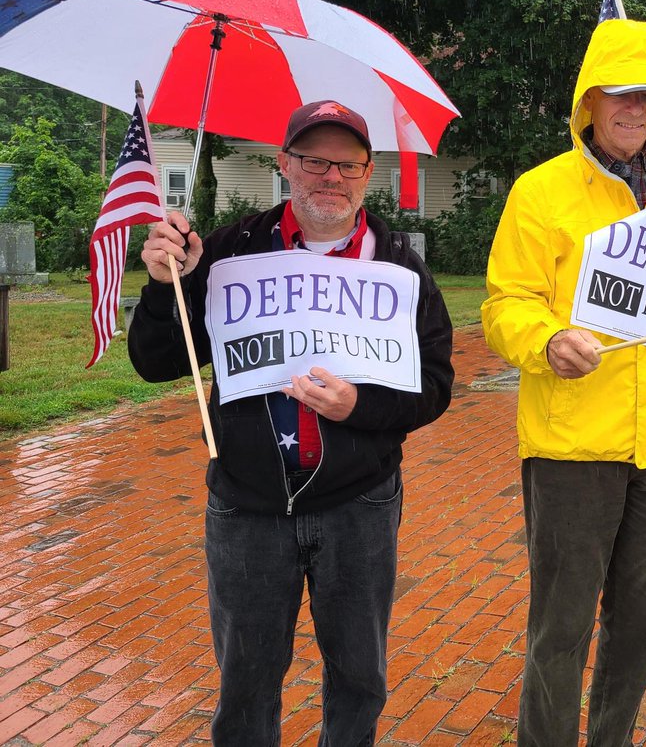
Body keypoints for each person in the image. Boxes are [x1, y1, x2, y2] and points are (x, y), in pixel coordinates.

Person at [128, 100, 455, 745]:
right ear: (285, 164)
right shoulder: (224, 254)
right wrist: (166, 284)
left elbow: (436, 386)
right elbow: (156, 361)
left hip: (358, 504)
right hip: (247, 504)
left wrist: (358, 408)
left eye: (346, 165)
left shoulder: (397, 268)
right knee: (246, 678)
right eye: (313, 161)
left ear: (368, 173)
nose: (329, 177)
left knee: (359, 674)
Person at [482, 18, 646, 747]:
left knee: (644, 623)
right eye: (619, 94)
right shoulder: (541, 191)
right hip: (572, 448)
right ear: (590, 100)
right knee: (562, 627)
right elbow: (503, 303)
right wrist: (547, 339)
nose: (634, 110)